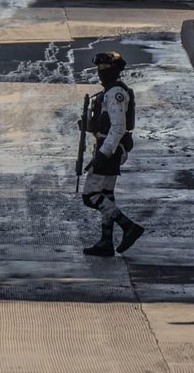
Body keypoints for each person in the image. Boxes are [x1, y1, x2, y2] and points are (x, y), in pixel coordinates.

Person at [80, 51, 144, 256]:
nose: (101, 73)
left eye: (106, 69)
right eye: (99, 69)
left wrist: (104, 153)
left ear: (115, 71)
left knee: (91, 196)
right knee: (106, 195)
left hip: (111, 149)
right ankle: (106, 241)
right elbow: (106, 124)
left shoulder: (115, 94)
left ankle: (129, 226)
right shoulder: (108, 93)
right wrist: (89, 126)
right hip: (108, 147)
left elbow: (118, 128)